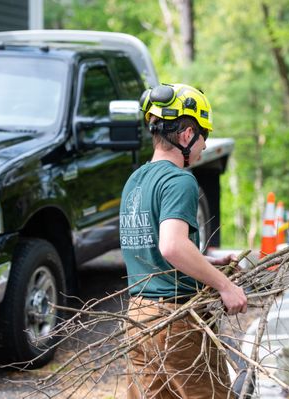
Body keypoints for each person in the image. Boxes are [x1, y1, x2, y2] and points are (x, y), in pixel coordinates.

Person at [120, 83, 248, 398]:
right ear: (188, 135)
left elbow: (152, 248)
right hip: (174, 321)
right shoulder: (179, 181)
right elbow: (172, 246)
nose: (205, 146)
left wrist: (204, 263)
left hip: (138, 317)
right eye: (204, 136)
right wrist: (225, 285)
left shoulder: (135, 181)